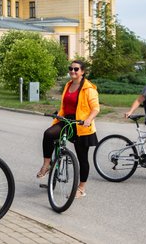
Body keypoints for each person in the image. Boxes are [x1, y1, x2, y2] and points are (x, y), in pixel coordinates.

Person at [36, 60, 100, 198]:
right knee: (49, 134)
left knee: (82, 158)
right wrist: (59, 116)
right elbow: (64, 106)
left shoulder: (89, 88)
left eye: (76, 69)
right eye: (70, 68)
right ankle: (47, 166)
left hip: (81, 123)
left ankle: (81, 188)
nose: (73, 71)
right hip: (66, 120)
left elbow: (96, 108)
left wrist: (88, 120)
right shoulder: (68, 85)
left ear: (82, 71)